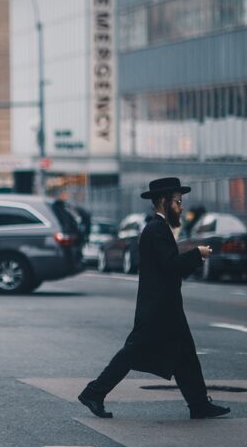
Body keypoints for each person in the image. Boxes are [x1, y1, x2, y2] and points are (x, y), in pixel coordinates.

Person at [78, 177, 230, 420]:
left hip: (165, 308)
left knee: (185, 355)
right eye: (177, 202)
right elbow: (171, 266)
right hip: (157, 310)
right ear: (163, 202)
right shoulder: (156, 229)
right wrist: (197, 254)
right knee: (131, 353)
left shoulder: (159, 229)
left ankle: (199, 404)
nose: (181, 208)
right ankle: (94, 392)